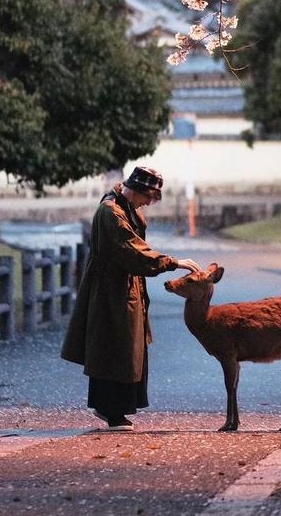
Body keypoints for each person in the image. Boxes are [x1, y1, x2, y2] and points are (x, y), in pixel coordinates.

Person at [61, 166, 200, 431]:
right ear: (136, 190)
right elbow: (131, 250)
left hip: (124, 285)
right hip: (111, 288)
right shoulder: (111, 213)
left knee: (125, 345)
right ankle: (112, 410)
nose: (149, 203)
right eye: (148, 197)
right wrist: (173, 262)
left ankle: (116, 407)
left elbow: (134, 249)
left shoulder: (125, 207)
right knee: (116, 345)